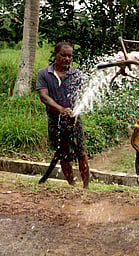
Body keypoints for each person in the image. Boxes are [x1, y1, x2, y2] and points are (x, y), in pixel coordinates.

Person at [36, 41, 89, 189]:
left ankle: (86, 188)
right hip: (55, 120)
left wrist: (76, 113)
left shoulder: (77, 75)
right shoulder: (44, 74)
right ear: (56, 55)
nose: (67, 59)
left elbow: (83, 96)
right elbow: (43, 96)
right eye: (63, 55)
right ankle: (72, 185)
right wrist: (61, 109)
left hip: (75, 120)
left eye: (70, 56)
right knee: (64, 155)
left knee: (81, 153)